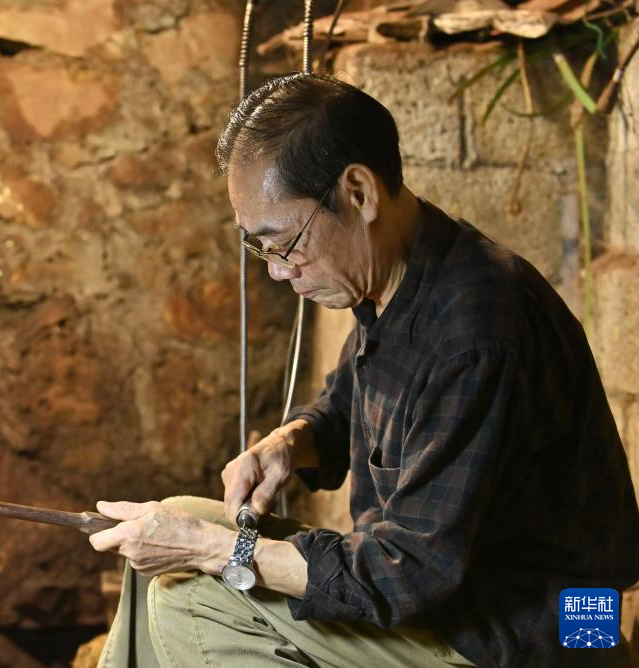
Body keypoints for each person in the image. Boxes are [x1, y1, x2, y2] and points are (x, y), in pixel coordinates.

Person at [88, 73, 639, 668]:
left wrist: (217, 551)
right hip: (448, 598)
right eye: (259, 247)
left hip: (536, 634)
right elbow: (347, 404)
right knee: (169, 532)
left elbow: (408, 573)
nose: (278, 270)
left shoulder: (476, 333)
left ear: (358, 193)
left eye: (284, 242)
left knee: (190, 595)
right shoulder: (400, 276)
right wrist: (290, 442)